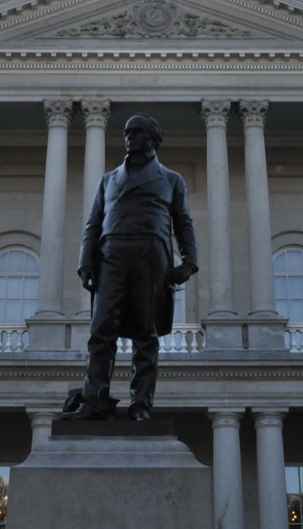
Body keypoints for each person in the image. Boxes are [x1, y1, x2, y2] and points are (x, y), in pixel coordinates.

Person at [66, 114, 198, 421]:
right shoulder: (108, 180)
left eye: (137, 132)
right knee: (100, 331)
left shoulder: (170, 179)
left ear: (153, 138)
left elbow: (183, 224)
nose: (130, 138)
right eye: (127, 133)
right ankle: (93, 399)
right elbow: (93, 224)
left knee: (145, 334)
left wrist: (189, 262)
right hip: (111, 257)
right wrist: (85, 262)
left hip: (150, 259)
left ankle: (141, 404)